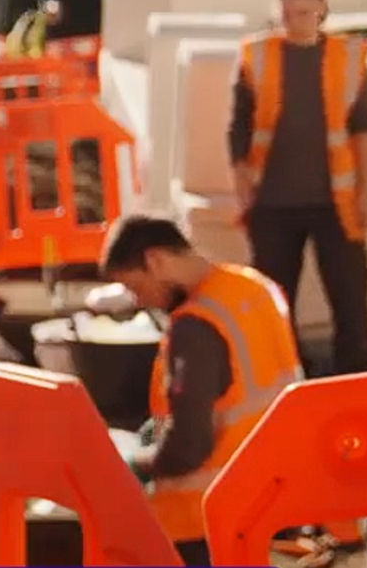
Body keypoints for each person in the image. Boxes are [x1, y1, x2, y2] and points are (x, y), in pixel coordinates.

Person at [98, 214, 304, 567]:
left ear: (155, 260)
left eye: (136, 287)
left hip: (206, 522)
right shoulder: (254, 288)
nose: (141, 300)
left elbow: (188, 446)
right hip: (273, 499)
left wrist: (136, 462)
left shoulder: (195, 326)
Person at [228, 0, 367, 377]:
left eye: (303, 12)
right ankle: (283, 379)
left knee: (351, 302)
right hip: (272, 203)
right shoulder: (257, 55)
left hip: (336, 204)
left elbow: (364, 128)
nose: (294, 22)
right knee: (273, 305)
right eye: (287, 12)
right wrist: (242, 180)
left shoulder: (348, 56)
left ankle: (355, 381)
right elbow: (239, 126)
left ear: (322, 8)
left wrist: (365, 191)